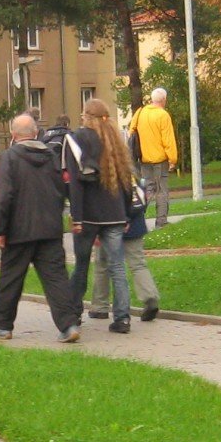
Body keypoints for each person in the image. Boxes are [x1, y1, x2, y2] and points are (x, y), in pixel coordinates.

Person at [0, 112, 81, 344]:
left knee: (10, 278)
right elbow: (60, 190)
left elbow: (3, 195)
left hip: (19, 230)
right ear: (37, 133)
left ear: (13, 135)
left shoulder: (9, 158)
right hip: (49, 229)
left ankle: (2, 325)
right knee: (56, 278)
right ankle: (68, 325)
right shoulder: (51, 156)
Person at [67, 97, 137, 334]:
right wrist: (126, 214)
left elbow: (75, 184)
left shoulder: (76, 140)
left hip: (87, 215)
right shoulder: (116, 140)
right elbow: (127, 179)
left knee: (81, 265)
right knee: (118, 267)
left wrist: (76, 216)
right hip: (115, 213)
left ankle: (73, 315)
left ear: (86, 115)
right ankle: (123, 318)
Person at [90, 186, 162, 323]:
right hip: (135, 222)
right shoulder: (130, 169)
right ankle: (150, 297)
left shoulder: (103, 170)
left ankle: (100, 306)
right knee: (138, 264)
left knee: (102, 264)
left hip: (109, 223)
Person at [128, 86, 180, 227]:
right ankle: (161, 221)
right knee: (161, 190)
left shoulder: (140, 112)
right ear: (163, 100)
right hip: (160, 160)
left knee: (148, 189)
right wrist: (173, 159)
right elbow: (168, 140)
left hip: (144, 159)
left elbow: (131, 130)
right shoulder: (163, 115)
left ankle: (135, 216)